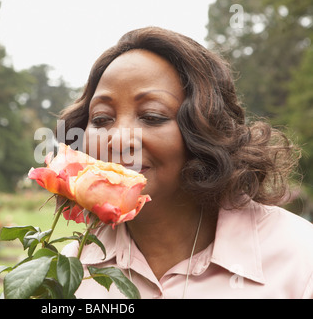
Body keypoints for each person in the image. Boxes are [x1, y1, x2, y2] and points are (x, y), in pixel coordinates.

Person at [59, 27, 313, 298]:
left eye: (152, 116)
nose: (119, 139)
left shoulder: (301, 260)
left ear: (205, 130)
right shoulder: (68, 268)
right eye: (101, 119)